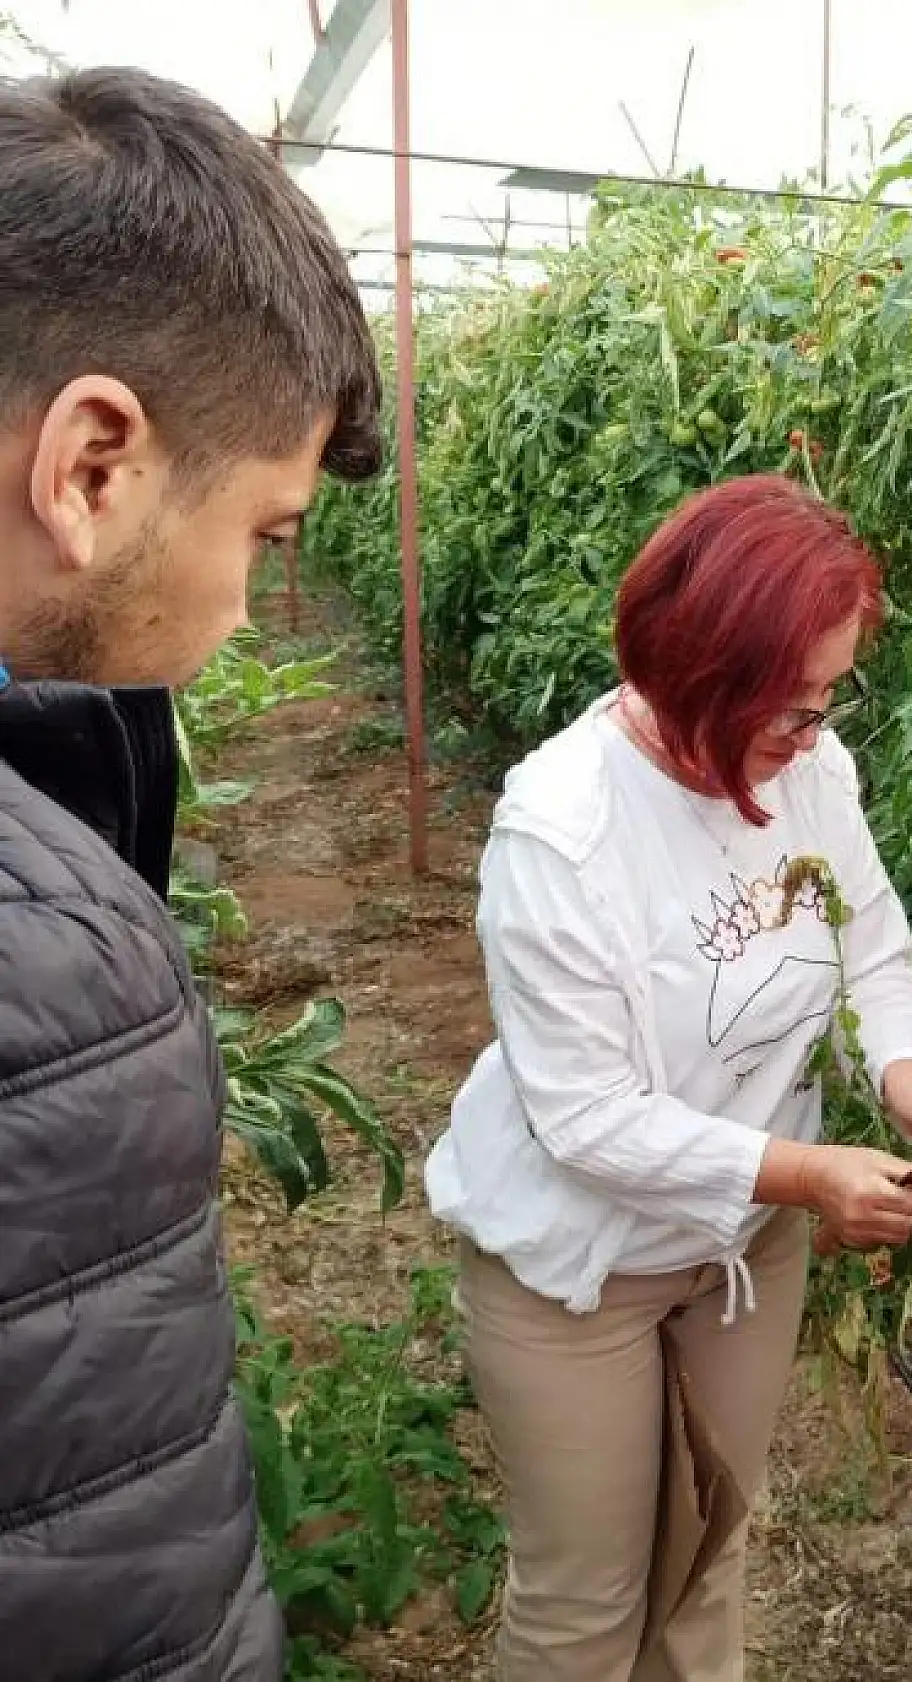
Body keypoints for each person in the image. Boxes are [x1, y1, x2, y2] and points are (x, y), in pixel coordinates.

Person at [426, 472, 912, 1682]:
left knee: (706, 1560)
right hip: (579, 1264)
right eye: (789, 705)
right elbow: (586, 1115)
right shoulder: (562, 829)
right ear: (697, 674)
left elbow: (867, 949)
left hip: (742, 1241)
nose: (813, 731)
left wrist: (904, 1070)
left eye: (827, 697)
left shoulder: (811, 770)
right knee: (584, 1605)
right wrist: (807, 1172)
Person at [0, 68, 381, 1682]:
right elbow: (102, 1577)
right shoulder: (47, 960)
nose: (240, 611)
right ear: (95, 464)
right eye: (264, 536)